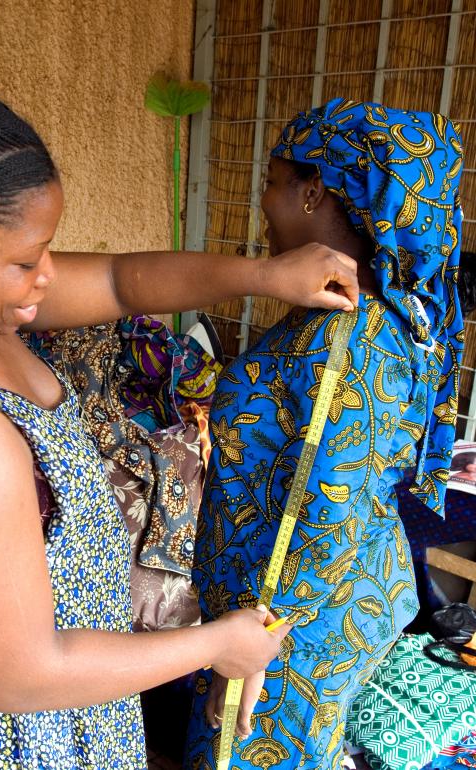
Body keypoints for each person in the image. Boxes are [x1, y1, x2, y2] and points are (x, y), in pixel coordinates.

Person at [0, 86, 358, 769]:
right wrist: (217, 644)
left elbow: (121, 281)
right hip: (9, 746)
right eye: (27, 261)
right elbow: (21, 673)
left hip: (60, 710)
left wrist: (265, 276)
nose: (46, 278)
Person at [185, 98, 463, 769]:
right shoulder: (385, 317)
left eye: (274, 183)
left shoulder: (343, 343)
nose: (264, 202)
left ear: (313, 192)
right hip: (343, 602)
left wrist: (251, 655)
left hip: (286, 637)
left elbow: (321, 512)